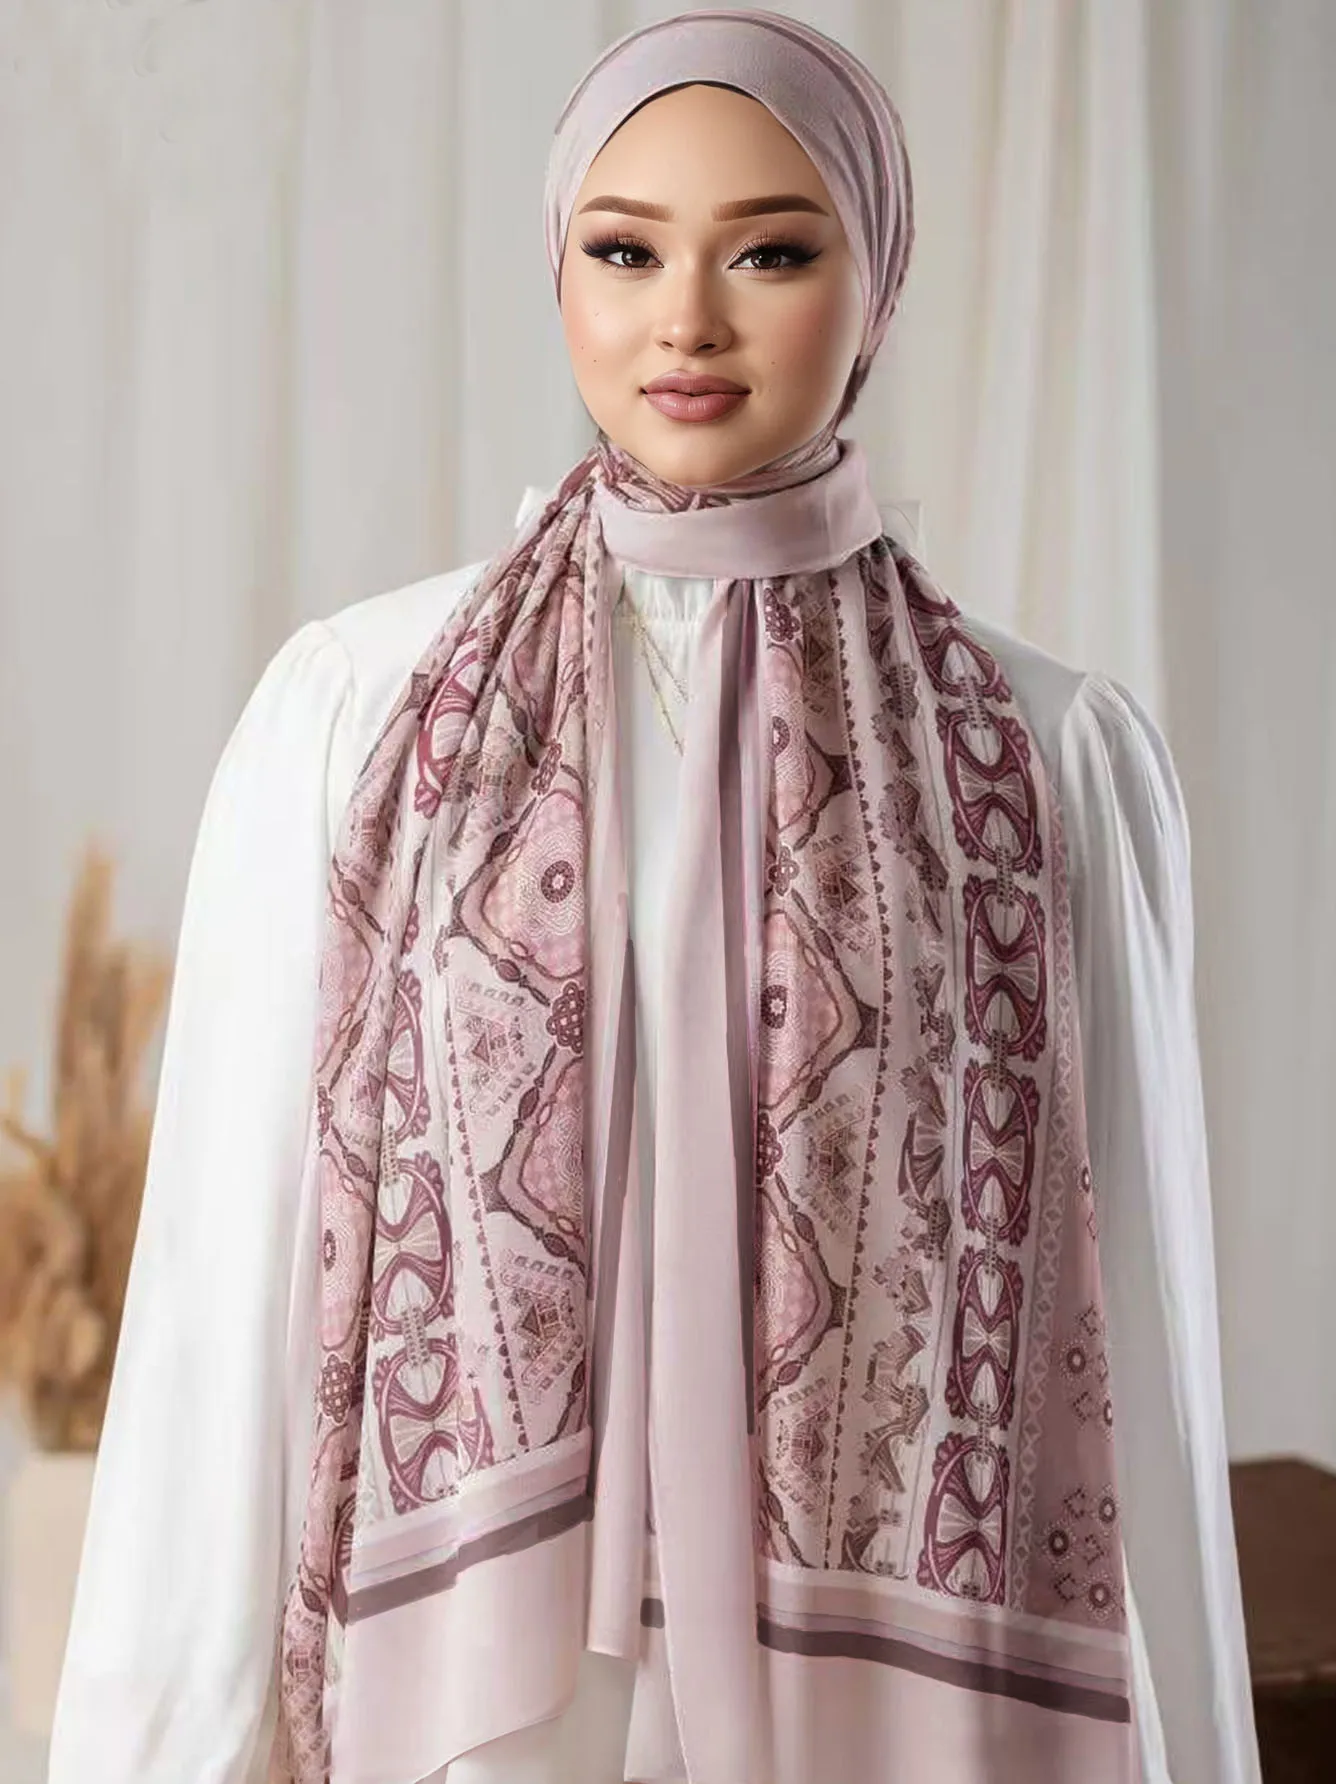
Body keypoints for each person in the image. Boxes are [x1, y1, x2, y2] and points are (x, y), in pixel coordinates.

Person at [48, 11, 1260, 1784]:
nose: (686, 320)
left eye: (770, 252)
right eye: (624, 252)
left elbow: (1138, 1335)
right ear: (559, 270)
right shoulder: (365, 720)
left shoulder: (1043, 758)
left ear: (876, 281)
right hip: (491, 1725)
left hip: (900, 1737)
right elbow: (221, 1303)